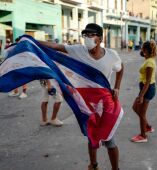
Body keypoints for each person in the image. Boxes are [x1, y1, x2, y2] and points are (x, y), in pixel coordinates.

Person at [39, 23, 124, 170]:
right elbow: (56, 47)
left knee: (109, 139)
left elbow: (121, 68)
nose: (87, 39)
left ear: (100, 38)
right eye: (85, 35)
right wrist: (32, 41)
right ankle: (94, 165)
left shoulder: (111, 55)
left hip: (105, 103)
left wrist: (117, 87)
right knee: (91, 135)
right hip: (87, 103)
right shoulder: (78, 50)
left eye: (91, 35)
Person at [131, 41, 157, 143]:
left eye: (143, 48)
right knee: (135, 107)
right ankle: (148, 127)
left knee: (141, 113)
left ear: (146, 50)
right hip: (145, 88)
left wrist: (141, 95)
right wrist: (144, 53)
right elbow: (143, 55)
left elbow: (148, 81)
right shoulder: (148, 59)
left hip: (148, 88)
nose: (141, 50)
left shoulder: (150, 62)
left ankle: (143, 136)